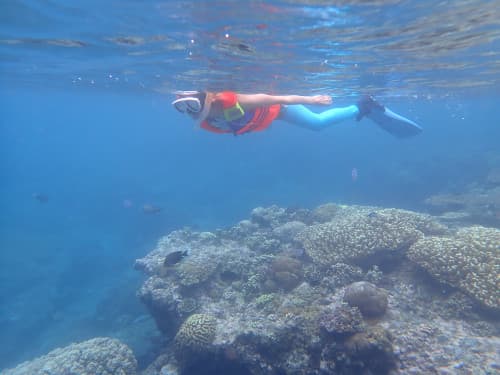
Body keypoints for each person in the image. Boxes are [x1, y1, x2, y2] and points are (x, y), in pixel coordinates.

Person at [172, 90, 422, 138]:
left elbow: (277, 98)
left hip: (281, 109)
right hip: (266, 119)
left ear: (213, 102)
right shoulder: (204, 116)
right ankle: (362, 108)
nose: (194, 115)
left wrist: (311, 99)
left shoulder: (237, 101)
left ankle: (363, 106)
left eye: (200, 110)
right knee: (316, 126)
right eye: (191, 113)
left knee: (317, 124)